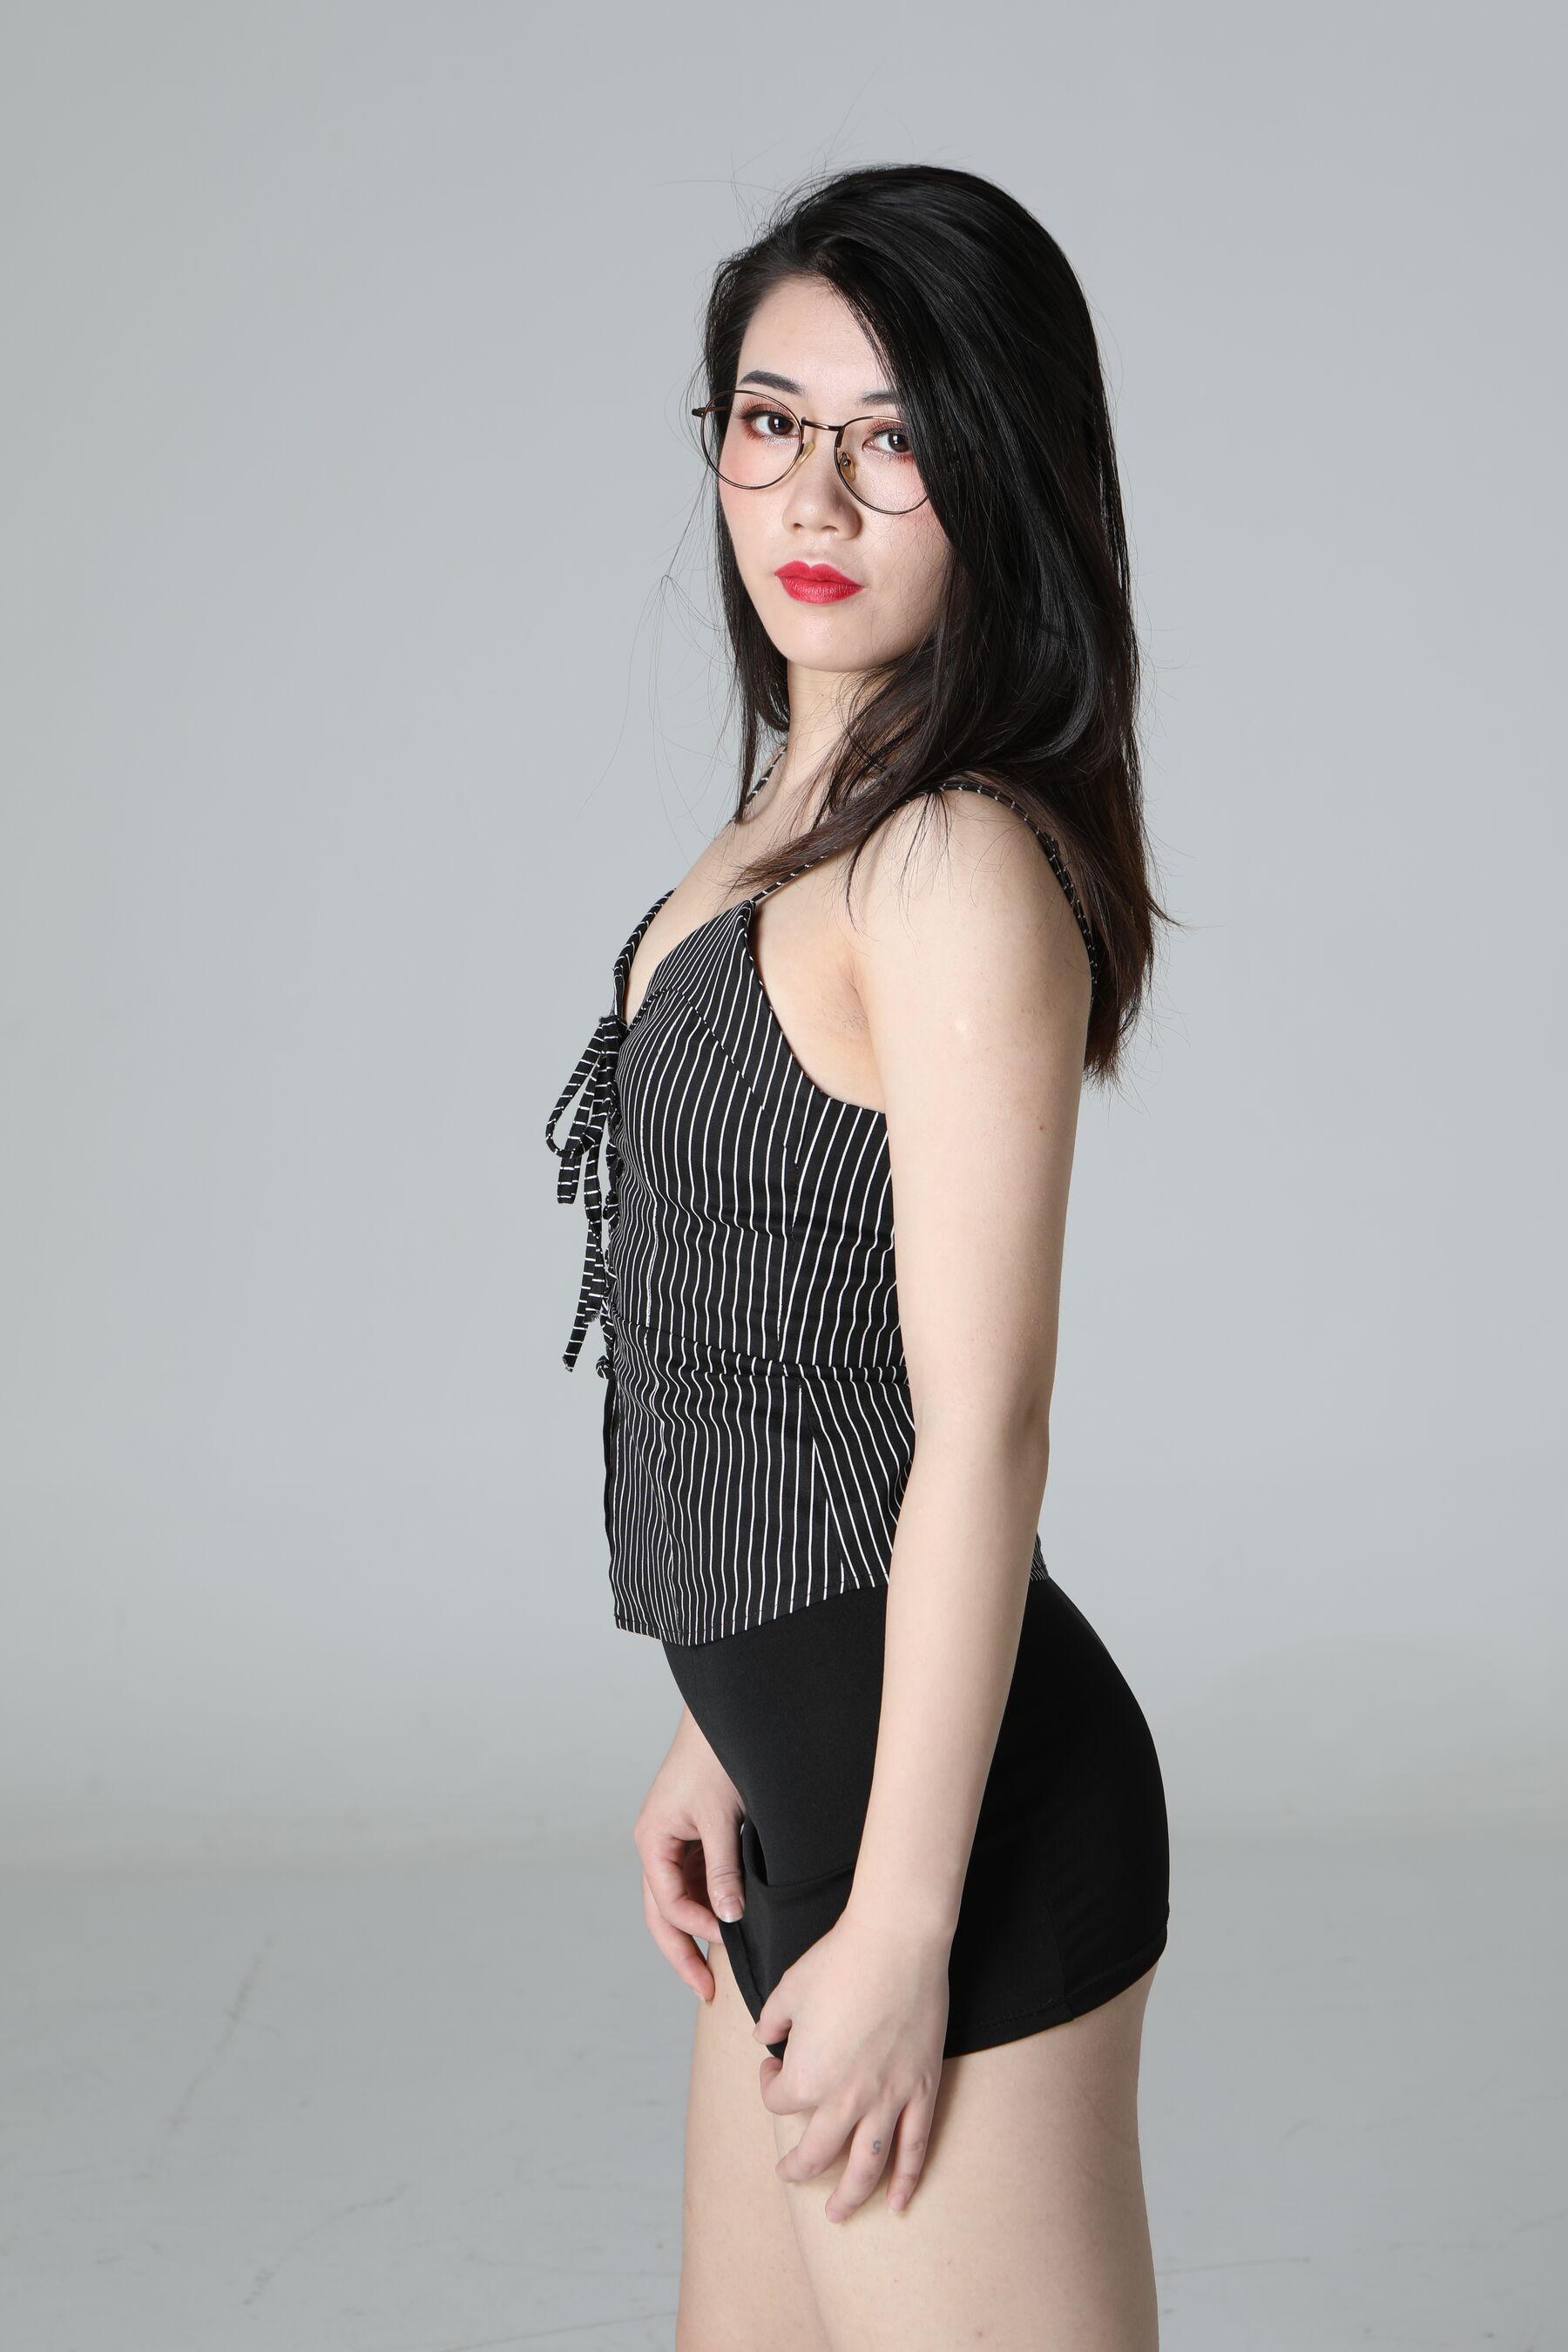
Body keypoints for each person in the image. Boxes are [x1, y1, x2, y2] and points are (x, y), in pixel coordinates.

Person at [547, 160, 1176, 2349]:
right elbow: (767, 1344)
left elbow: (981, 1426)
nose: (812, 493)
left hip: (951, 1835)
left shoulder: (949, 865)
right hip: (806, 1782)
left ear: (1000, 471)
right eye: (769, 418)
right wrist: (722, 1728)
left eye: (892, 437)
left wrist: (905, 1916)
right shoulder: (784, 828)